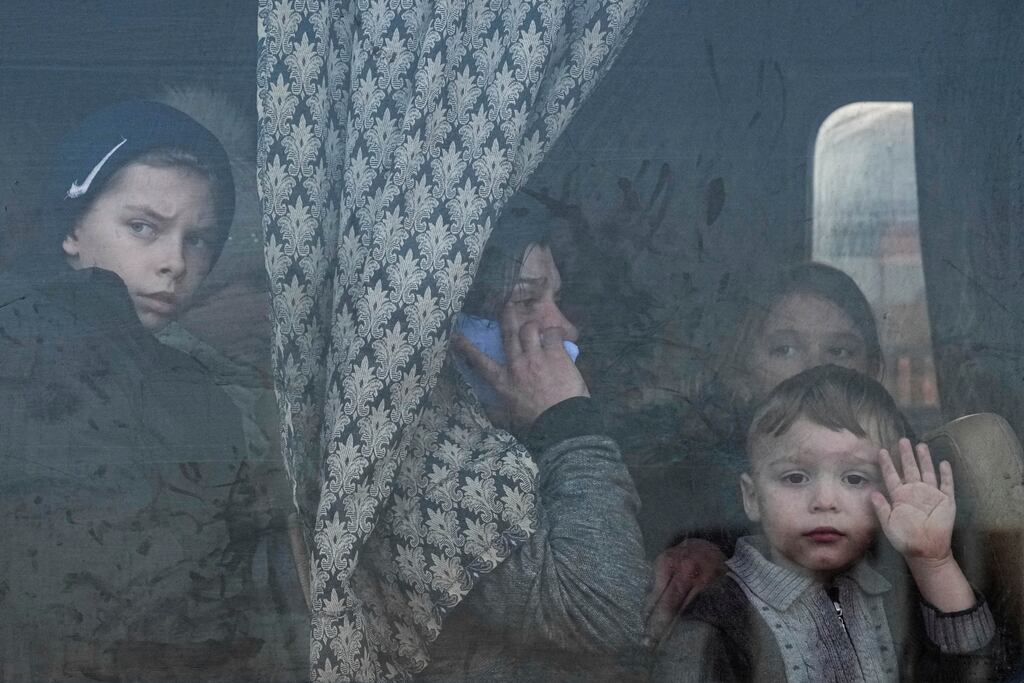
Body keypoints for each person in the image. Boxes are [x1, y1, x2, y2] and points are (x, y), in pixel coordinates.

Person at [0, 101, 273, 681]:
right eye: (143, 227)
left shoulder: (200, 400)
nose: (173, 262)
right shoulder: (17, 354)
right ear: (73, 228)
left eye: (198, 239)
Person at [413, 193, 649, 681]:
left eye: (555, 299)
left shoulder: (506, 433)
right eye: (524, 301)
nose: (565, 328)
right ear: (448, 326)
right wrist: (568, 421)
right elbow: (600, 610)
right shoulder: (431, 462)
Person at [652, 364, 999, 682]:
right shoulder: (720, 613)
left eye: (854, 479)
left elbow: (974, 670)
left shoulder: (894, 594)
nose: (825, 501)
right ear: (752, 497)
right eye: (795, 477)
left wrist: (933, 562)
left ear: (891, 497)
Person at [639, 262, 884, 641]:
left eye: (839, 350)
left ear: (872, 371)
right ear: (741, 374)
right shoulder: (690, 478)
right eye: (784, 349)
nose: (815, 368)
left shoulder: (907, 472)